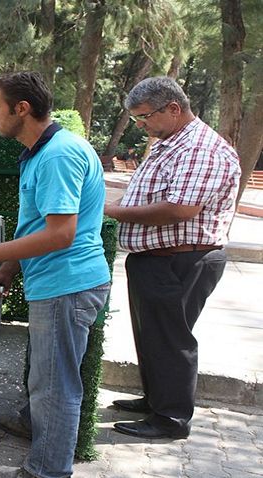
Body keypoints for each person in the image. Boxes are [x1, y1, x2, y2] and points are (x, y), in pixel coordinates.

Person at [0, 71, 110, 478]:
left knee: (54, 386)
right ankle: (40, 433)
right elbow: (36, 227)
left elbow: (60, 234)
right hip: (60, 283)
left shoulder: (58, 155)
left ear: (21, 108)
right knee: (47, 379)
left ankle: (46, 475)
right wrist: (5, 269)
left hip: (68, 285)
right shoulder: (40, 152)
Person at [104, 77, 240, 439]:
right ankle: (155, 400)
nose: (141, 125)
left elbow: (180, 209)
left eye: (144, 117)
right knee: (153, 337)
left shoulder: (200, 148)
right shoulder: (171, 142)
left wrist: (113, 212)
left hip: (182, 260)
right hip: (157, 259)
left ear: (174, 109)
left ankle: (171, 420)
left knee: (170, 341)